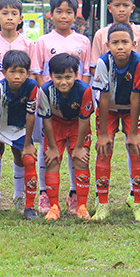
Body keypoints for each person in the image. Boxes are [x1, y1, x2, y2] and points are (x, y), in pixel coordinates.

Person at [31, 0, 92, 215]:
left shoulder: (83, 41)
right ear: (51, 14)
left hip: (75, 108)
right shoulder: (43, 41)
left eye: (69, 12)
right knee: (48, 152)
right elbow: (37, 72)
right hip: (50, 107)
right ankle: (46, 194)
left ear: (75, 15)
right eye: (59, 11)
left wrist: (79, 94)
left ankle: (76, 195)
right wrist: (47, 95)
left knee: (77, 153)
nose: (64, 16)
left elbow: (85, 73)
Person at [91, 23, 140, 222]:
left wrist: (133, 133)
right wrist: (103, 134)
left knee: (136, 149)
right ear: (108, 45)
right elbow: (104, 97)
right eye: (115, 42)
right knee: (104, 149)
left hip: (132, 109)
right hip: (109, 109)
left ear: (134, 43)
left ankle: (138, 202)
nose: (120, 46)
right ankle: (102, 203)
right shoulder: (103, 62)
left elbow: (136, 98)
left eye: (125, 42)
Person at [0, 50, 38, 219]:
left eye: (22, 72)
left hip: (19, 128)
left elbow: (30, 115)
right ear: (4, 73)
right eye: (12, 71)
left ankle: (29, 206)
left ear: (28, 73)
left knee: (27, 159)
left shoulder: (32, 87)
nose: (17, 76)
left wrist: (28, 144)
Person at [37, 53, 95, 220]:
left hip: (77, 125)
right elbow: (46, 120)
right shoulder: (45, 91)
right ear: (51, 76)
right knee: (52, 161)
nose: (63, 81)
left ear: (76, 76)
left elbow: (85, 121)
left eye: (68, 77)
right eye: (58, 77)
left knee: (80, 160)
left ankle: (81, 205)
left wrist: (78, 148)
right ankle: (54, 206)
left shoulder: (84, 90)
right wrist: (53, 148)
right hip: (55, 125)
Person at [89, 0, 140, 71]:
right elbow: (94, 66)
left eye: (126, 5)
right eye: (117, 5)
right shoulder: (101, 34)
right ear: (109, 8)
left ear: (132, 8)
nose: (121, 9)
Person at [0, 0, 35, 96]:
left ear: (20, 19)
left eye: (14, 14)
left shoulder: (28, 44)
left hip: (21, 95)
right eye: (5, 13)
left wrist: (26, 92)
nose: (9, 17)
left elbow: (33, 72)